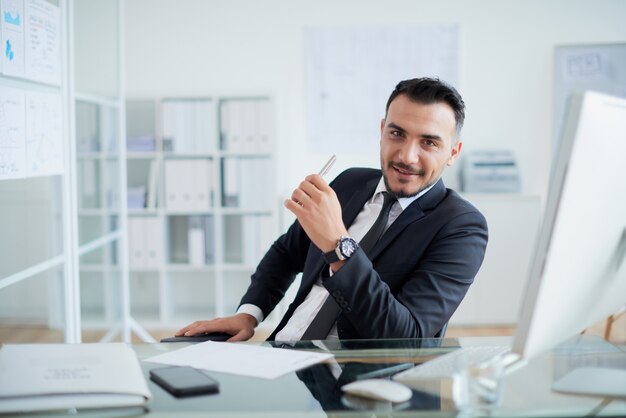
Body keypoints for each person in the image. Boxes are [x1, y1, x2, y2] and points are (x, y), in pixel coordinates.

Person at [177, 77, 488, 342]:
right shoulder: (349, 183)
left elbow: (406, 336)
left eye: (429, 143)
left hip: (366, 387)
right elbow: (286, 253)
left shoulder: (462, 226)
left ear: (453, 152)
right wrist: (249, 314)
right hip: (283, 356)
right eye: (397, 134)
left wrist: (339, 246)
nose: (407, 156)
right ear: (381, 131)